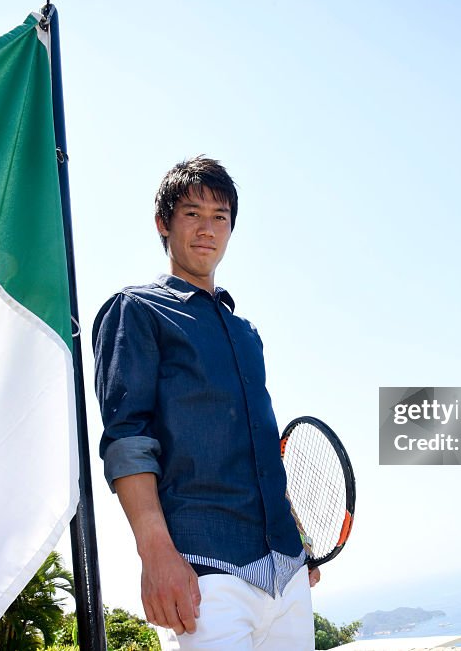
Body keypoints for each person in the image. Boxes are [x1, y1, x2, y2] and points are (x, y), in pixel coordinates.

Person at [93, 156, 319, 650]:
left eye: (220, 217)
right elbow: (127, 440)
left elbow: (257, 443)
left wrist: (293, 534)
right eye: (192, 213)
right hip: (204, 575)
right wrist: (156, 556)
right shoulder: (135, 310)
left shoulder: (246, 333)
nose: (207, 229)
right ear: (163, 223)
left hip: (288, 570)